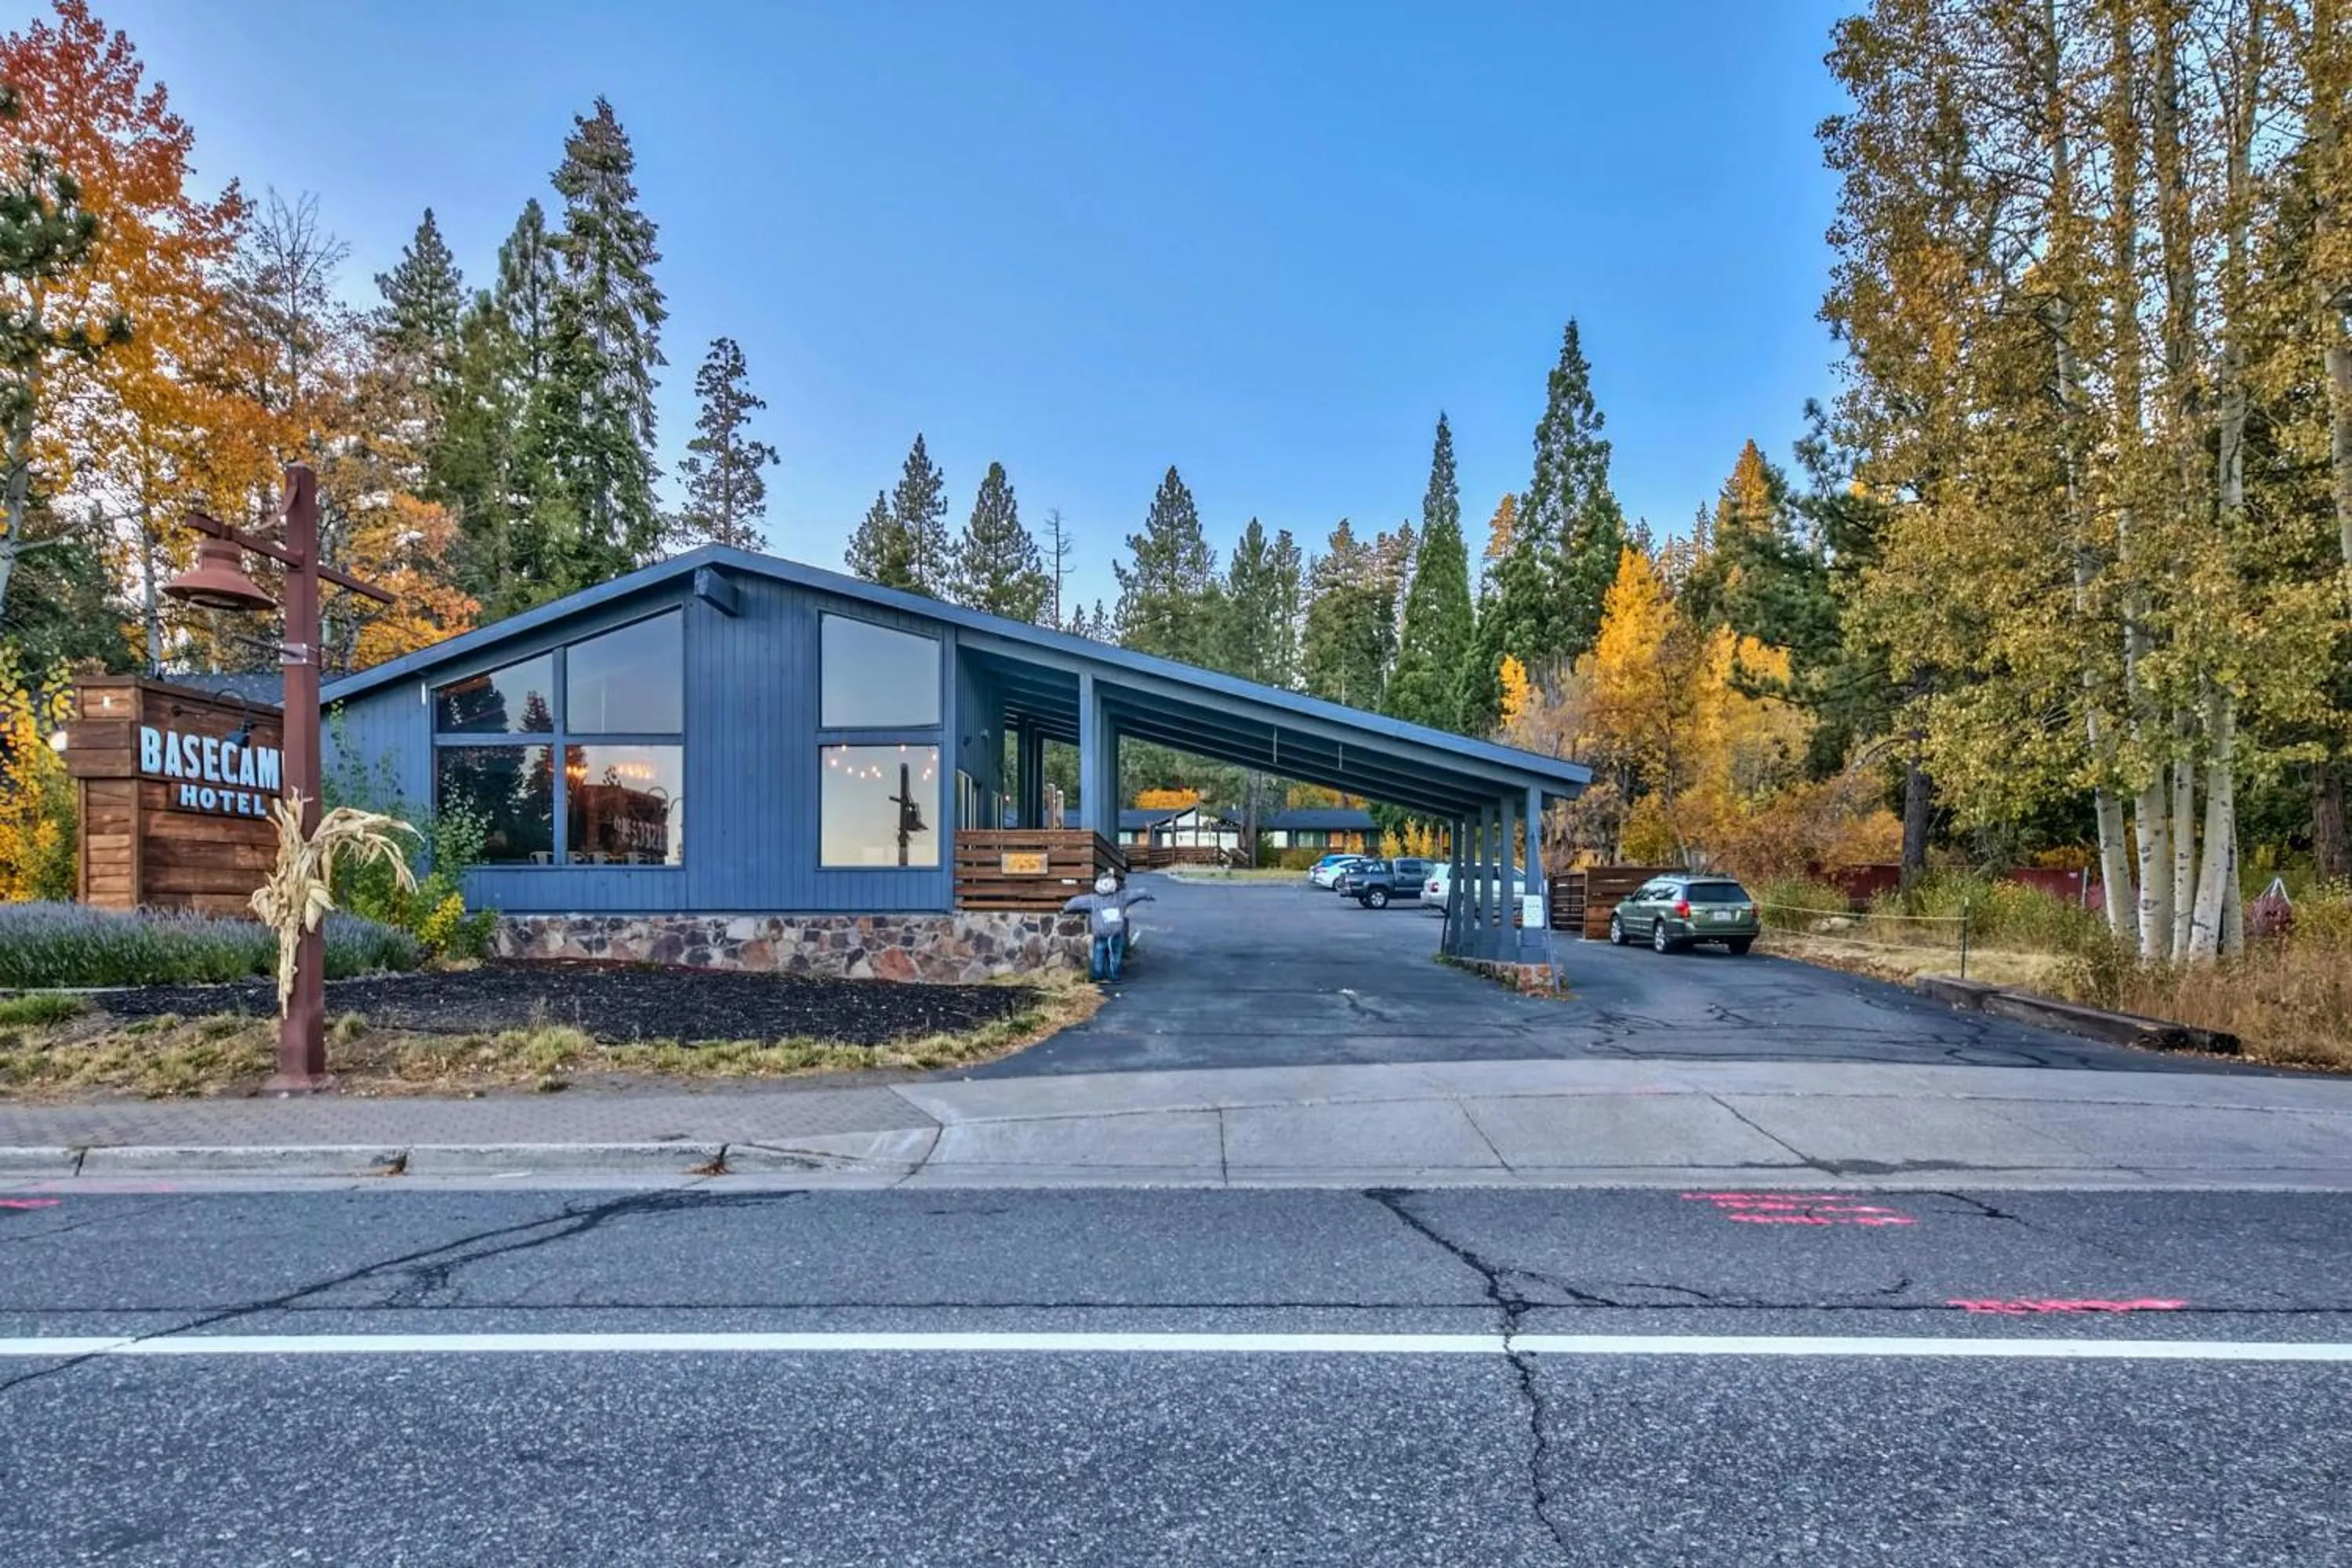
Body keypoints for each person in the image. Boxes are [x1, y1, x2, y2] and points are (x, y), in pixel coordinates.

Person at [1063, 873, 1155, 982]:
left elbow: (1075, 902)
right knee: (1113, 957)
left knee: (1100, 955)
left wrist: (1066, 908)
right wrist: (1148, 895)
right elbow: (1139, 893)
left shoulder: (1094, 899)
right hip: (1114, 934)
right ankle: (1112, 976)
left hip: (1104, 934)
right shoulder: (1121, 897)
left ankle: (1100, 976)